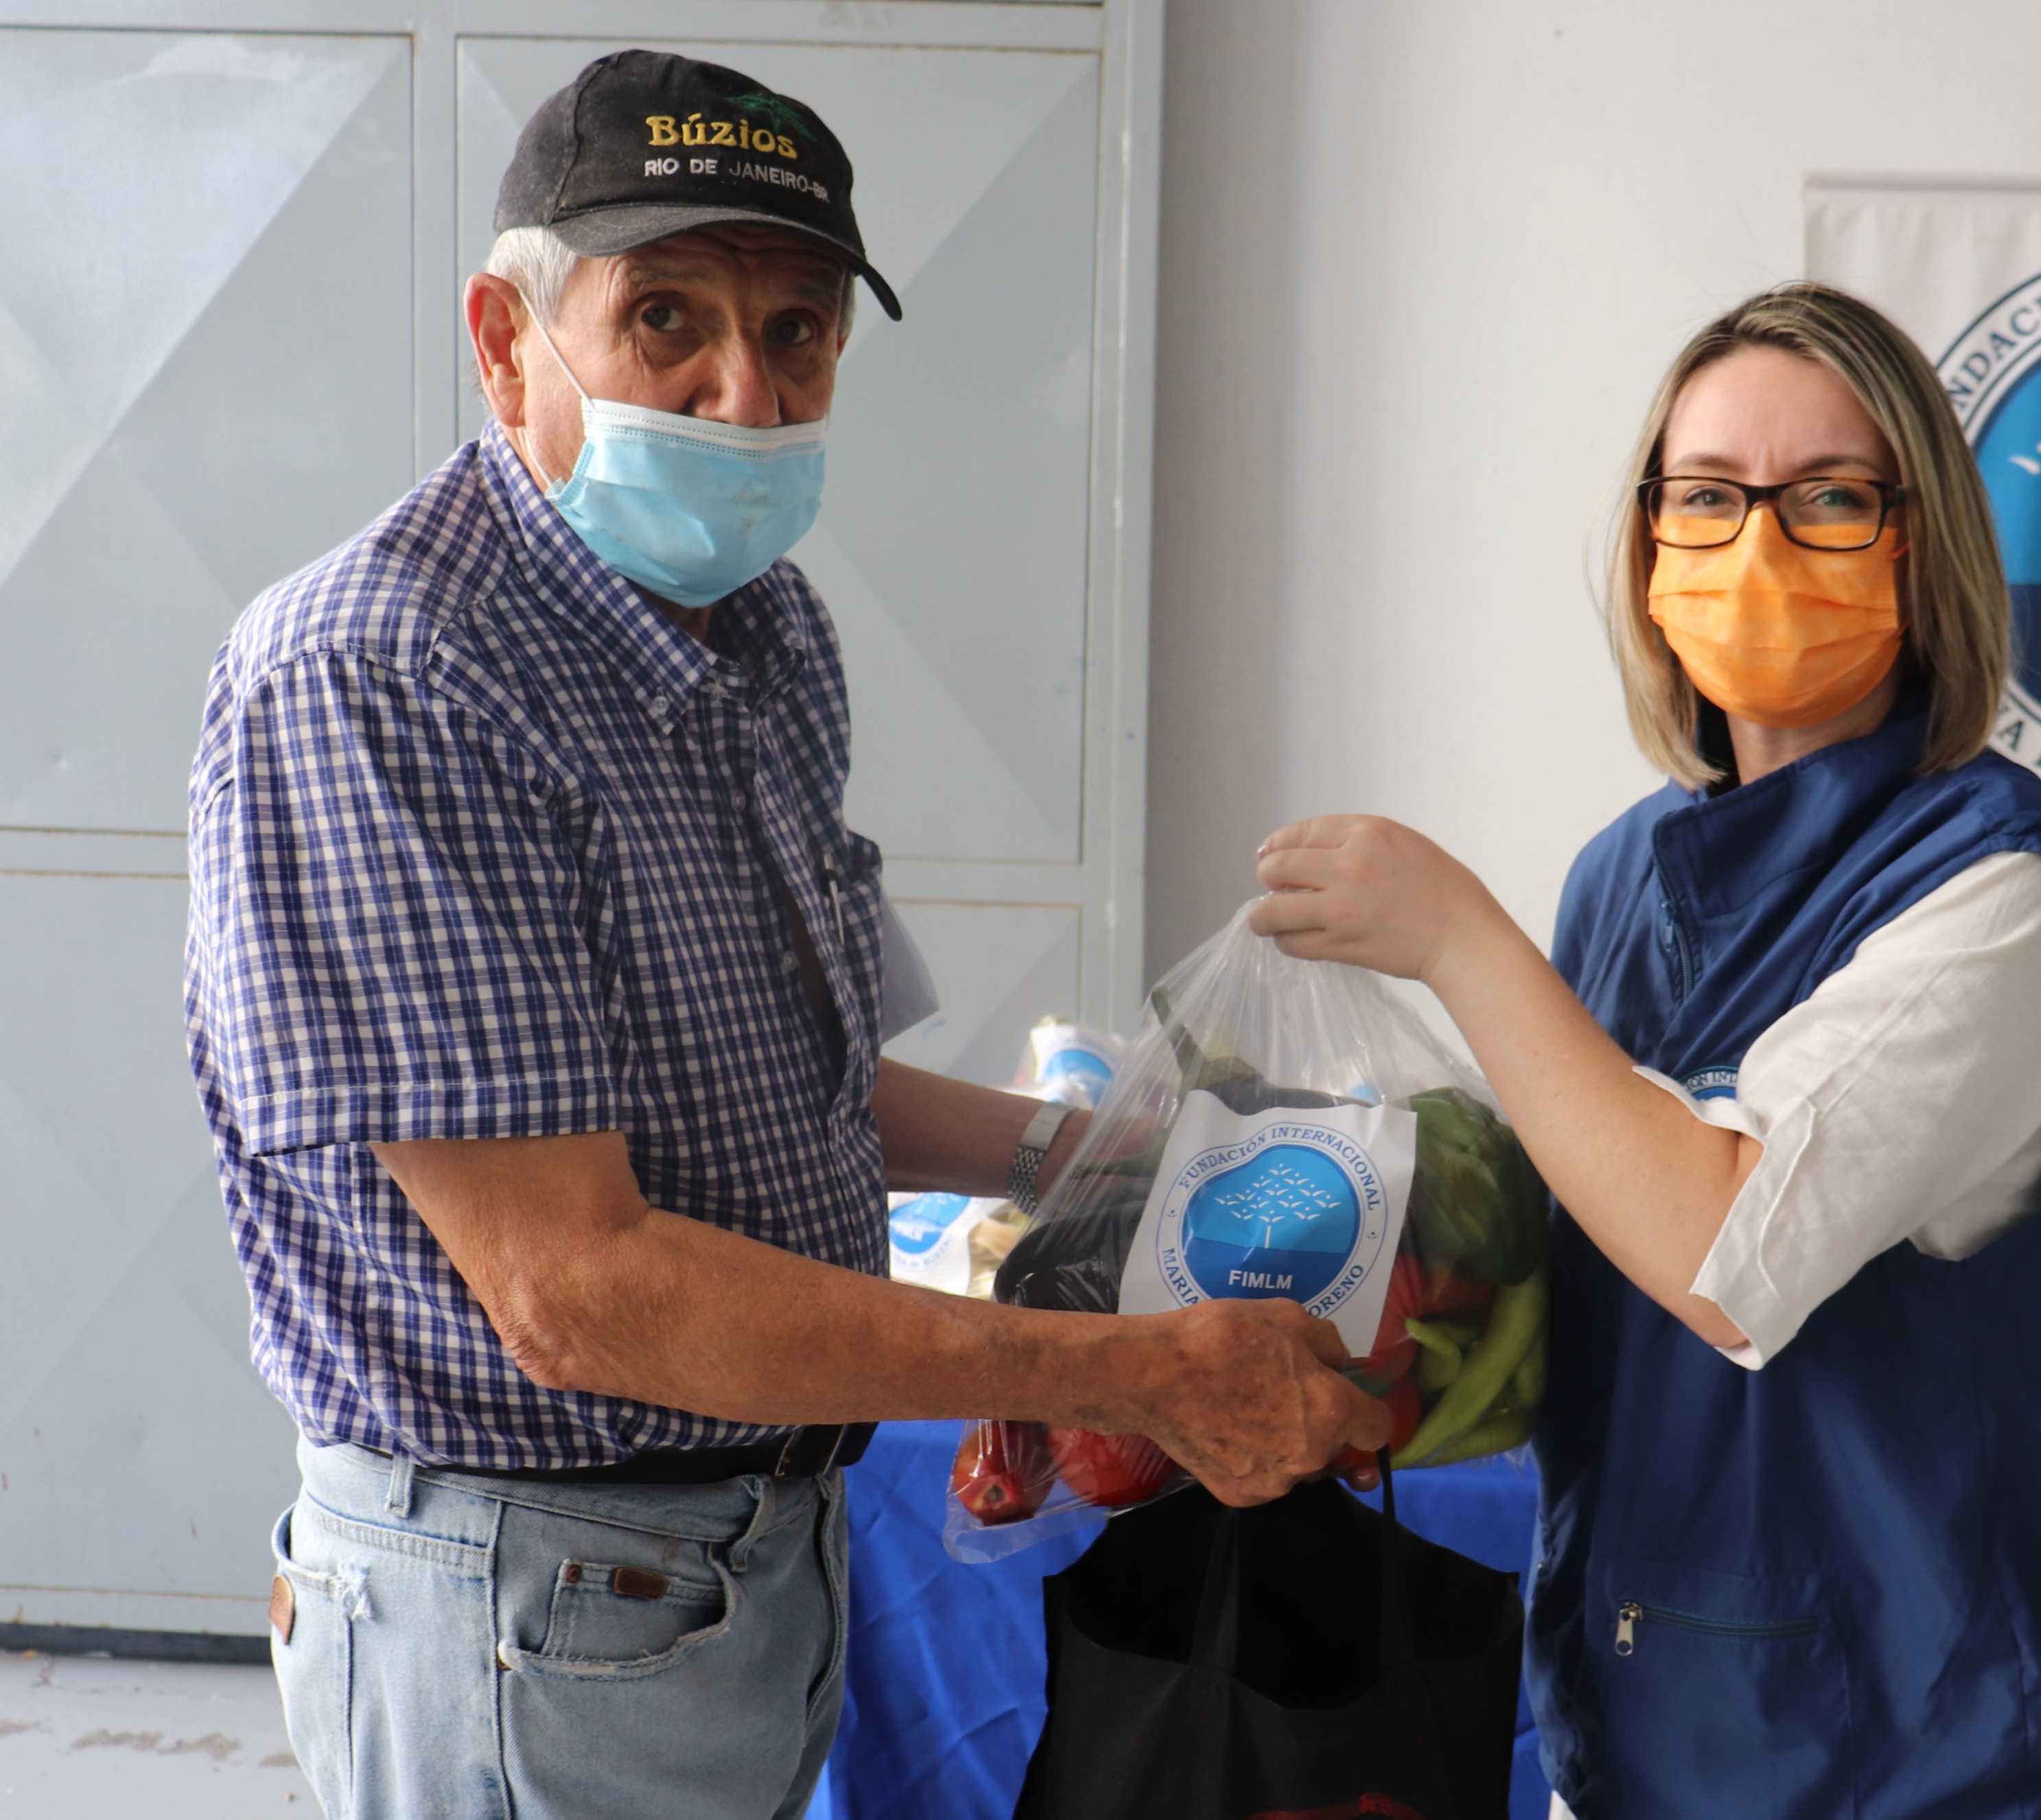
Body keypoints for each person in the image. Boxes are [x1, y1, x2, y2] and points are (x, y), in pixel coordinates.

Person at [184, 49, 1384, 1820]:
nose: (745, 397)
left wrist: (1122, 1158)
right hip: (532, 1597)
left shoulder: (764, 630)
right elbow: (576, 1292)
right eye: (665, 317)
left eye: (800, 333)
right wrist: (1131, 1373)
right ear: (511, 344)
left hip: (750, 1562)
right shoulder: (383, 675)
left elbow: (792, 1084)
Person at [1250, 282, 2041, 1818]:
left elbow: (1726, 1249)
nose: (1758, 545)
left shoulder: (2002, 897)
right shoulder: (1626, 873)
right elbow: (1565, 1251)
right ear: (1650, 543)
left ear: (1925, 543)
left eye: (1831, 500)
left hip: (1904, 1742)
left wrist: (1459, 942)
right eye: (1711, 497)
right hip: (1647, 1694)